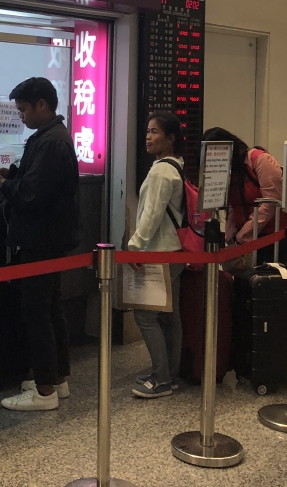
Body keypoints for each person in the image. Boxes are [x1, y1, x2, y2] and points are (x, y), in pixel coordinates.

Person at [0, 77, 79, 412]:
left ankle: (44, 391)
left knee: (37, 312)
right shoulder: (51, 136)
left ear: (42, 104)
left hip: (41, 239)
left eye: (23, 109)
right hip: (50, 238)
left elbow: (32, 194)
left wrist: (2, 184)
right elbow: (35, 181)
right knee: (51, 308)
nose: (21, 116)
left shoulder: (51, 141)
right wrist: (13, 175)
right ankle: (57, 378)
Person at [128, 112, 185, 399]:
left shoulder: (162, 171)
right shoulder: (176, 166)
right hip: (174, 250)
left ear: (171, 138)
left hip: (159, 252)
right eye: (148, 131)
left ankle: (161, 379)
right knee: (169, 315)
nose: (148, 137)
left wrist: (134, 246)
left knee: (146, 316)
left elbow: (151, 214)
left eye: (155, 132)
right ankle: (169, 374)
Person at [200, 127, 287, 265]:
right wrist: (231, 232)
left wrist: (244, 235)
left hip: (271, 238)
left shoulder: (260, 159)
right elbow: (231, 204)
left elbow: (271, 202)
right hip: (243, 239)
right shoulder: (230, 169)